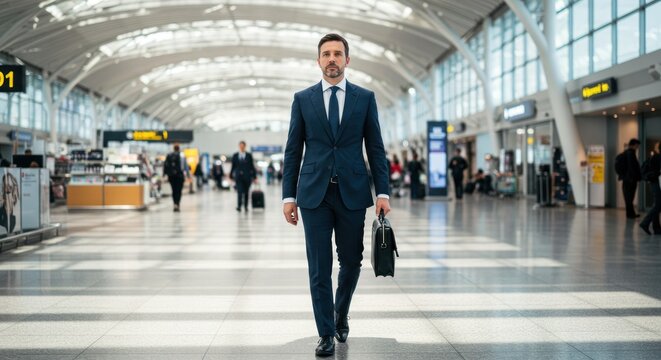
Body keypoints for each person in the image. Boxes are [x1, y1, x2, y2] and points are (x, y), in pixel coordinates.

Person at [281, 33, 390, 357]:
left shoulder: (364, 98)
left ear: (347, 60)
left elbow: (376, 148)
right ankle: (326, 333)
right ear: (318, 61)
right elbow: (292, 151)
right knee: (319, 267)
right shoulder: (303, 99)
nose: (332, 59)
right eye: (326, 54)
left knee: (352, 262)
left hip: (353, 192)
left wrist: (382, 191)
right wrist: (289, 196)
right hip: (313, 194)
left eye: (337, 54)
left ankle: (340, 312)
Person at [616, 139, 641, 219]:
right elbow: (632, 167)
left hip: (626, 178)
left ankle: (630, 214)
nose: (637, 147)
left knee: (628, 197)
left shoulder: (626, 152)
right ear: (633, 145)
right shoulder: (631, 153)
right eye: (637, 145)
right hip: (630, 179)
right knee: (629, 197)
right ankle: (630, 214)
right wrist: (635, 177)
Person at [640, 142, 661, 235]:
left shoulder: (654, 156)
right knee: (658, 205)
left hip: (654, 183)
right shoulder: (657, 157)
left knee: (657, 204)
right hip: (657, 183)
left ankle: (656, 228)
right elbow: (656, 171)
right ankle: (645, 223)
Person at [230, 141, 256, 212]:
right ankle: (239, 206)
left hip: (247, 177)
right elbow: (233, 166)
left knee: (246, 192)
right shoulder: (235, 155)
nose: (241, 147)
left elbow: (252, 167)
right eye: (240, 146)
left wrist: (255, 177)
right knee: (239, 192)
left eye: (243, 146)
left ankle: (246, 206)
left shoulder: (248, 155)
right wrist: (230, 175)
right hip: (238, 177)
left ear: (245, 146)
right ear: (239, 146)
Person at [164, 144, 186, 212]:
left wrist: (165, 174)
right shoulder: (182, 156)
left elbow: (165, 165)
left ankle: (175, 204)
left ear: (173, 148)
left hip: (171, 176)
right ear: (179, 148)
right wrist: (187, 175)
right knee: (179, 191)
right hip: (180, 176)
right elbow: (185, 166)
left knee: (173, 190)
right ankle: (177, 203)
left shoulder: (169, 155)